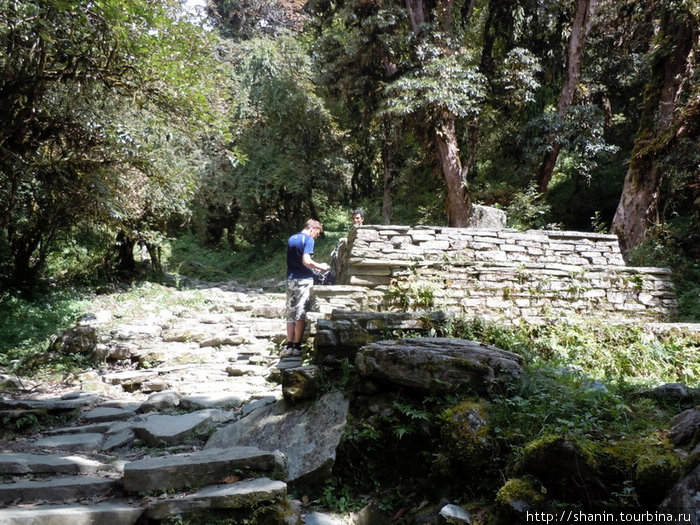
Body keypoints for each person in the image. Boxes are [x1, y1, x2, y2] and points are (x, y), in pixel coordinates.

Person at [285, 219, 329, 355]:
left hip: (290, 279)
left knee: (290, 314)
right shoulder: (308, 240)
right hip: (303, 280)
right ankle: (297, 347)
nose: (316, 236)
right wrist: (321, 266)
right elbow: (306, 261)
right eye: (317, 233)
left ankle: (289, 346)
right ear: (312, 229)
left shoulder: (292, 238)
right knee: (300, 313)